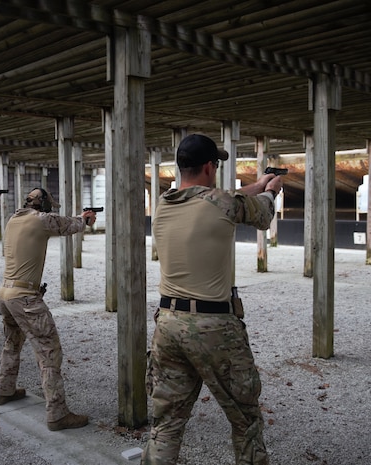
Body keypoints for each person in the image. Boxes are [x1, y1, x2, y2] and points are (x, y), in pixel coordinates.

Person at [141, 134, 283, 465]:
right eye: (216, 165)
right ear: (209, 167)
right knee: (245, 423)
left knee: (166, 425)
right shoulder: (222, 203)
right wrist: (271, 189)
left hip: (168, 325)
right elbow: (262, 215)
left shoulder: (165, 203)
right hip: (213, 328)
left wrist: (256, 183)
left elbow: (220, 198)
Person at [0, 187, 96, 432]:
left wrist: (80, 218)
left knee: (12, 343)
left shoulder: (13, 219)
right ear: (43, 204)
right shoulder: (41, 220)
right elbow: (70, 225)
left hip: (5, 294)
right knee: (49, 351)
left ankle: (3, 390)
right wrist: (85, 219)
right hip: (25, 298)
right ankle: (57, 413)